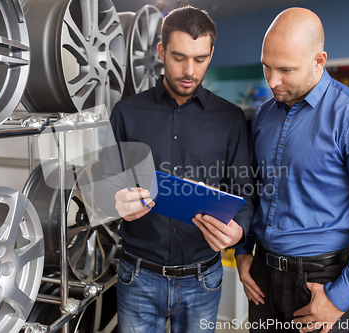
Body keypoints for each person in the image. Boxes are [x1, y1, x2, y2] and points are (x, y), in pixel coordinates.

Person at [235, 7, 349, 333]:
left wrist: (339, 298)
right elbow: (254, 190)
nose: (273, 81)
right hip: (262, 276)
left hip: (322, 284)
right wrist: (244, 251)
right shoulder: (263, 116)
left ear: (319, 60)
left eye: (286, 69)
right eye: (266, 67)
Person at [99, 5, 254, 333]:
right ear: (160, 51)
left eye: (200, 59)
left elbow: (244, 193)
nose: (189, 70)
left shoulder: (230, 119)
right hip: (137, 275)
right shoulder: (126, 112)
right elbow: (105, 183)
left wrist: (238, 230)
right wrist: (115, 201)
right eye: (179, 57)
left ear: (211, 54)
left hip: (203, 277)